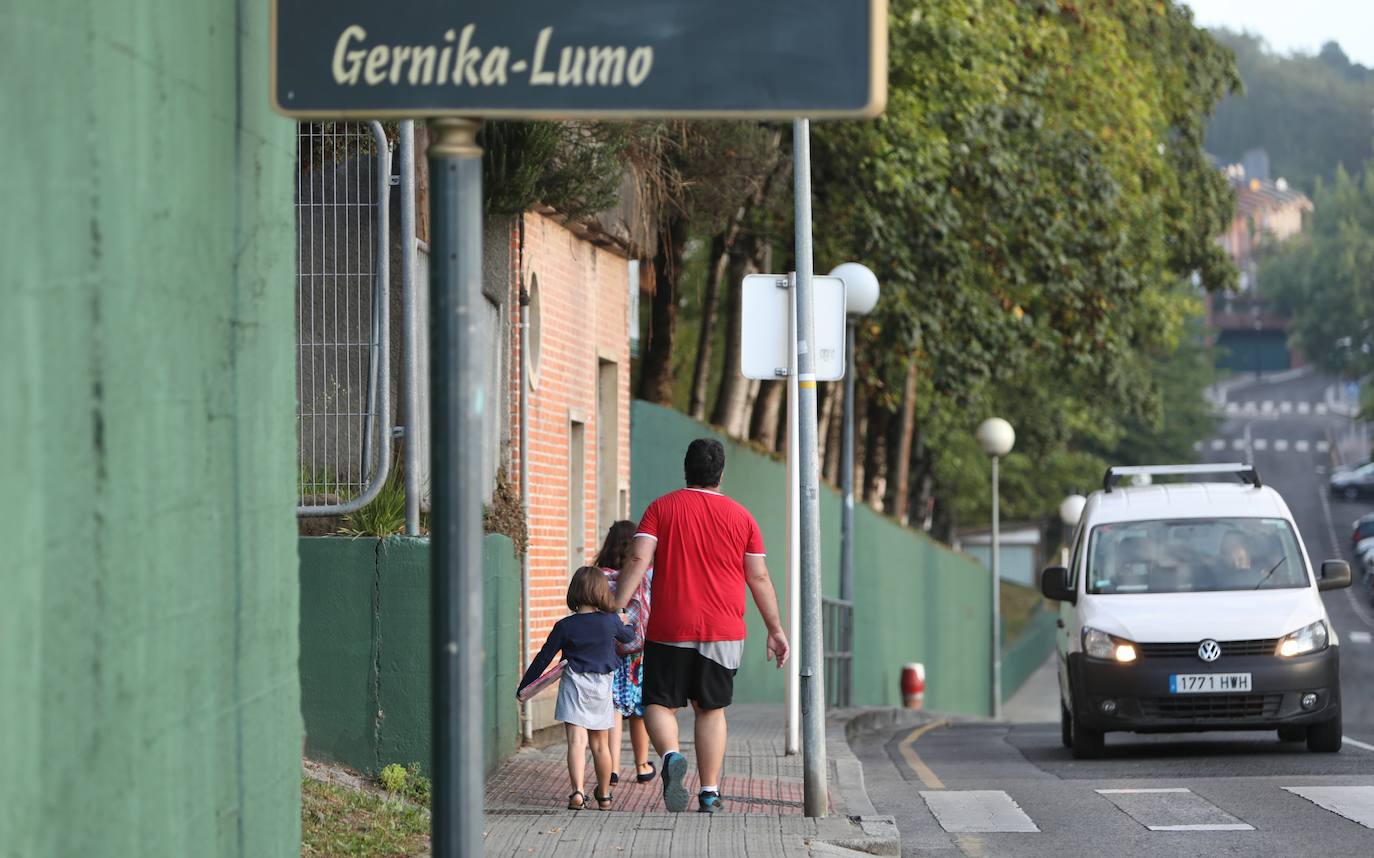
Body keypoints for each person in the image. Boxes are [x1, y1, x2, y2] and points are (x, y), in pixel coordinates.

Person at [613, 438, 789, 814]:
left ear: (685, 469)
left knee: (658, 703)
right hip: (724, 628)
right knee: (711, 709)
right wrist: (775, 629)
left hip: (669, 626)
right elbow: (758, 577)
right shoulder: (743, 518)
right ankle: (709, 792)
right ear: (721, 474)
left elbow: (640, 556)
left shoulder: (661, 508)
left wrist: (616, 605)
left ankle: (672, 756)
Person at [517, 566, 634, 811]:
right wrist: (626, 621)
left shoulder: (565, 626)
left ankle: (578, 793)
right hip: (601, 687)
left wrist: (525, 685)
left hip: (574, 685)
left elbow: (543, 658)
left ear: (574, 592)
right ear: (602, 592)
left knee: (576, 742)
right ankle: (604, 796)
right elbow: (628, 637)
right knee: (600, 744)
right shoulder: (610, 621)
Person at [596, 521, 657, 787]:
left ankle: (612, 768)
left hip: (608, 651)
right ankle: (642, 765)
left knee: (614, 708)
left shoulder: (597, 576)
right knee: (640, 709)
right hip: (640, 650)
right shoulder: (647, 574)